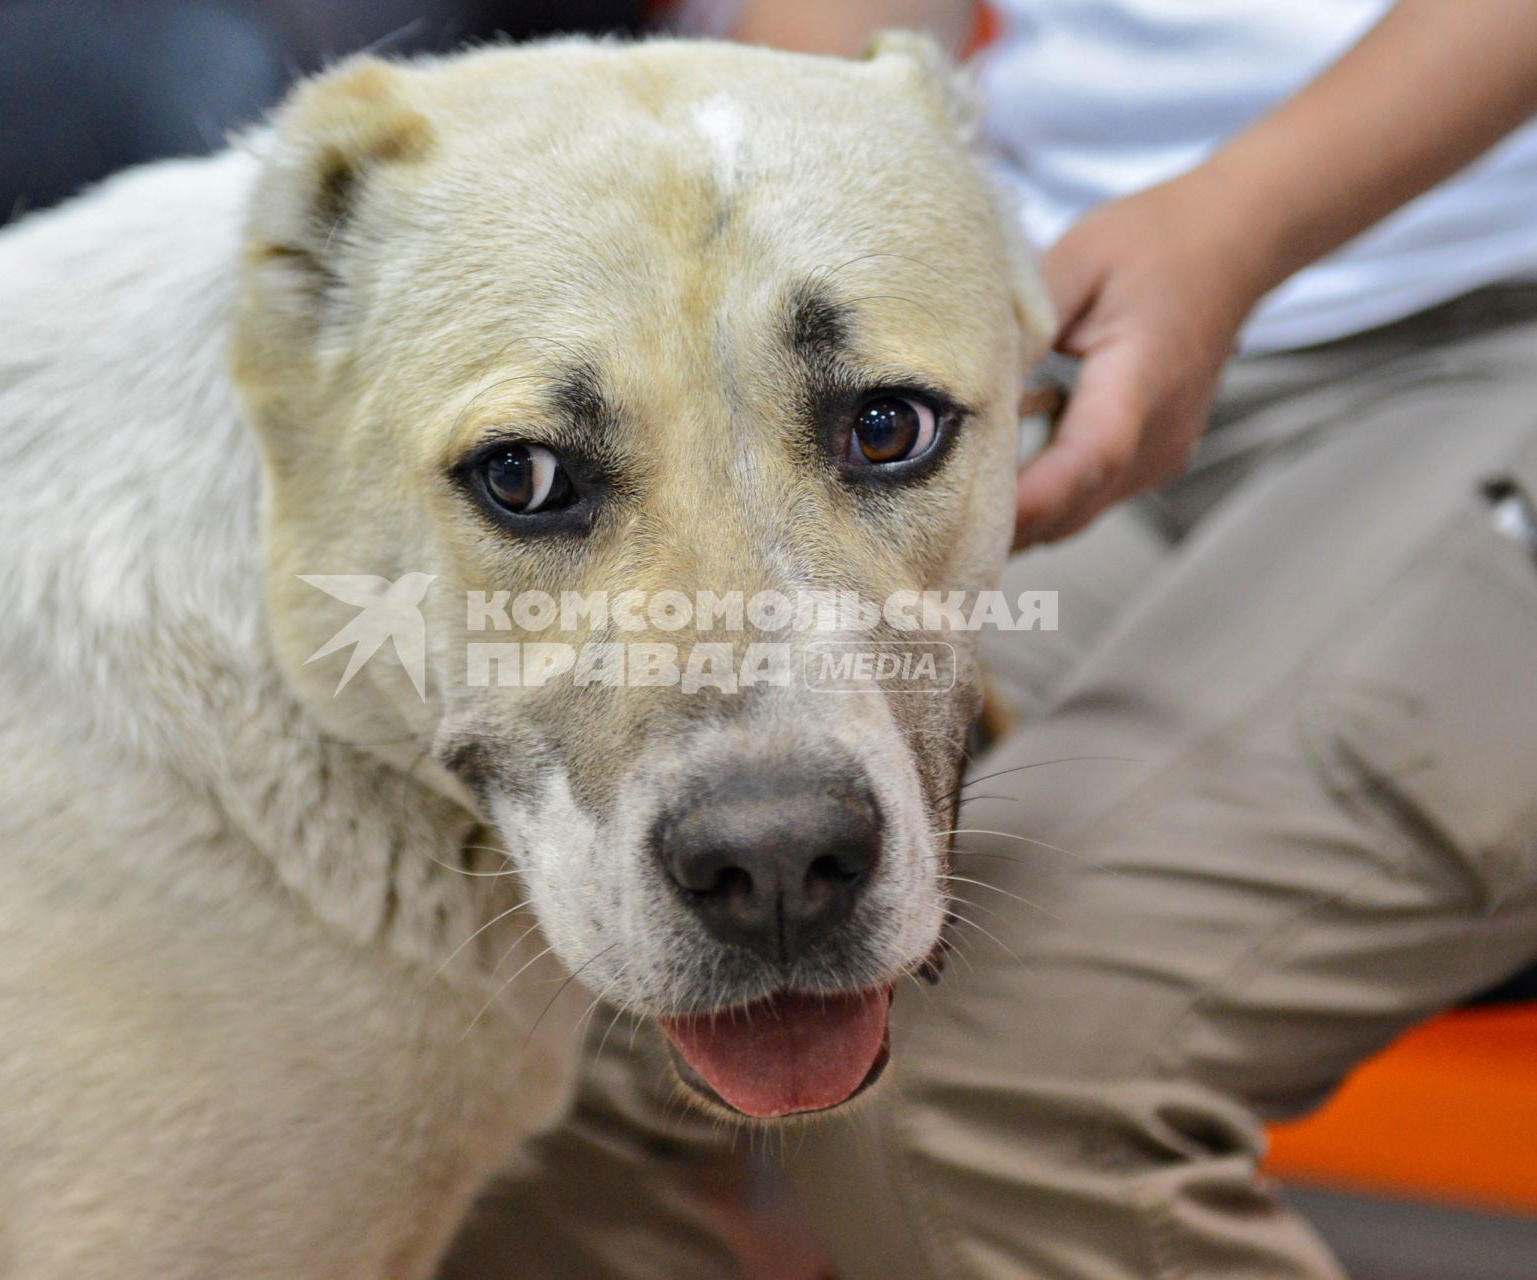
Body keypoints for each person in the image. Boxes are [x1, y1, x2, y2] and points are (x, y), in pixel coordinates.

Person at [433, 2, 1537, 1276]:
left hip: (1483, 319)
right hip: (1047, 335)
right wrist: (763, 234)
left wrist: (1239, 222)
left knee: (994, 1095)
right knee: (526, 1029)